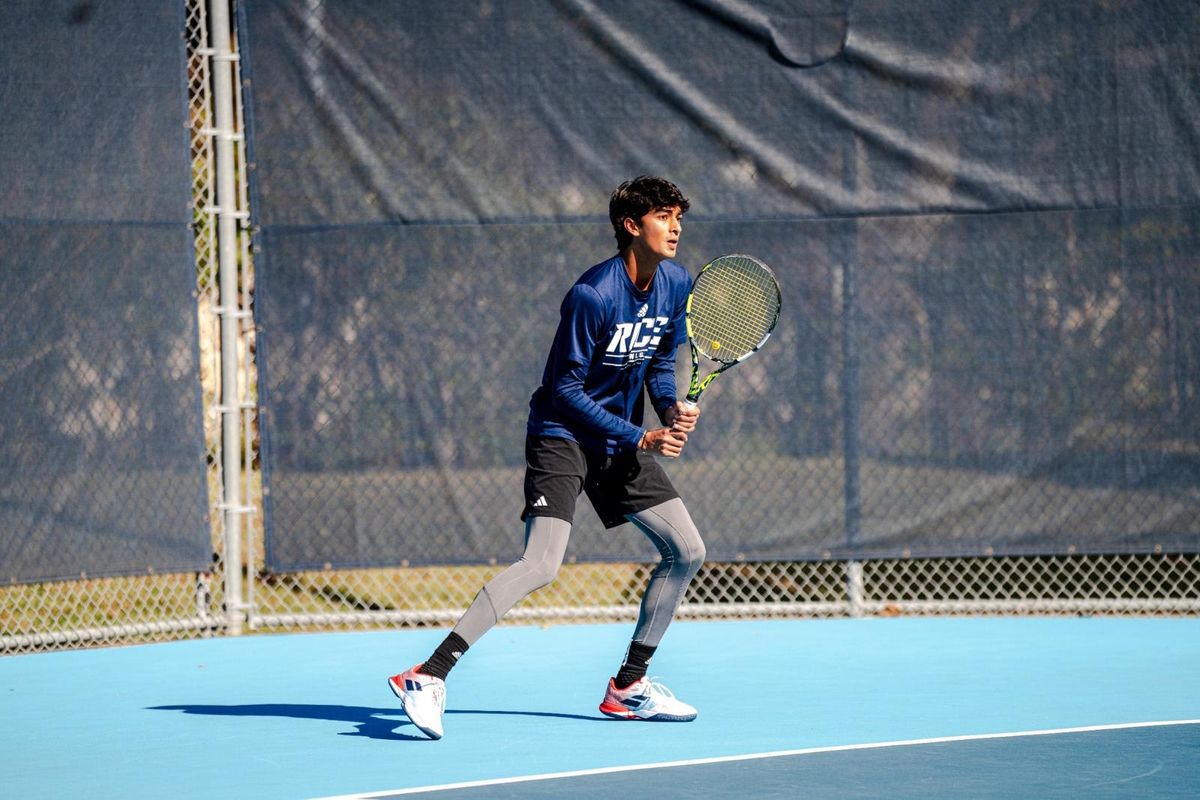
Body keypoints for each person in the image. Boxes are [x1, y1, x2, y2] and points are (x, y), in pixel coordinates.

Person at [388, 175, 706, 740]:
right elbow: (565, 391)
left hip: (618, 440)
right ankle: (428, 675)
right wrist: (640, 437)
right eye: (663, 216)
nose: (676, 226)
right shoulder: (593, 295)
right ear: (632, 227)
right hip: (561, 435)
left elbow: (658, 363)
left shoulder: (676, 283)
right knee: (542, 564)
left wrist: (668, 409)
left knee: (687, 550)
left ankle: (629, 686)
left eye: (679, 215)